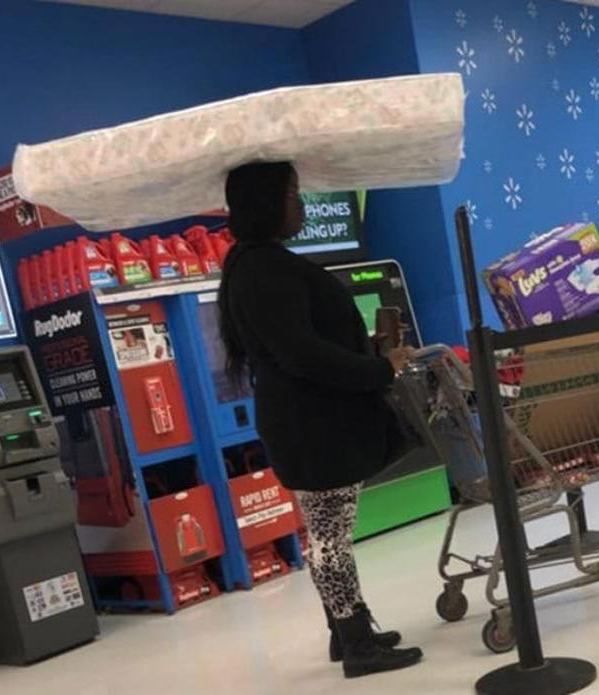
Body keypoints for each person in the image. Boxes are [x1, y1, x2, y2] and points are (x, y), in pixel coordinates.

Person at [218, 162, 423, 679]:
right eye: (292, 194)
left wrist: (366, 353)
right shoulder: (265, 269)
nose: (301, 205)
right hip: (313, 426)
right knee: (330, 537)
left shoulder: (252, 266)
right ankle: (357, 644)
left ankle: (345, 631)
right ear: (267, 202)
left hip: (304, 422)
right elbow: (303, 353)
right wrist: (379, 367)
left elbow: (302, 344)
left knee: (329, 532)